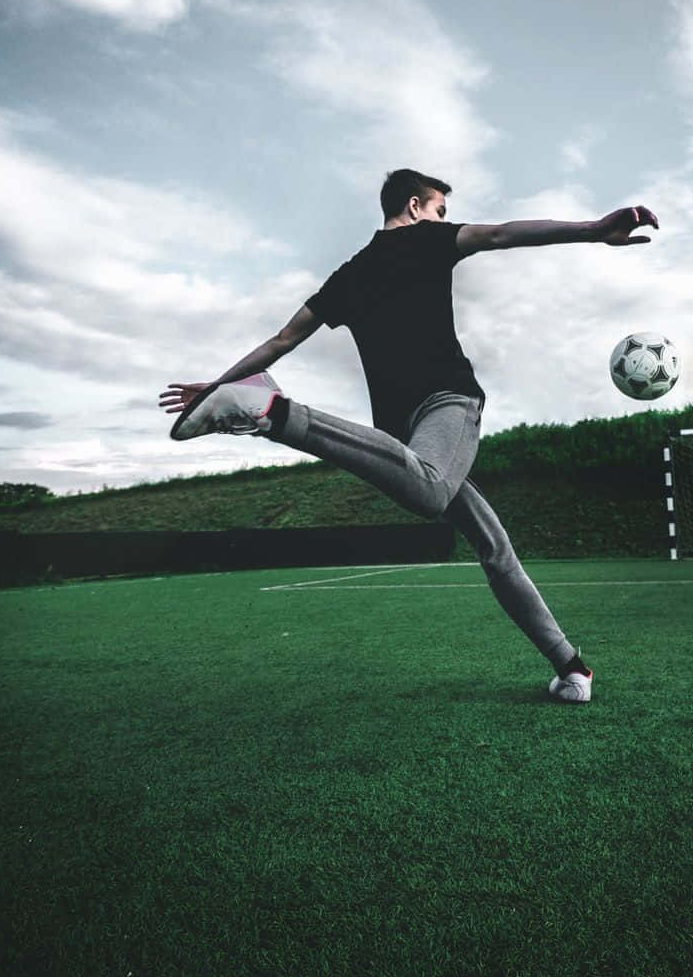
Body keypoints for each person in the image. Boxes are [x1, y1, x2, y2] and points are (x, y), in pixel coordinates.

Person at [159, 168, 658, 702]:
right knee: (430, 491)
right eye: (441, 208)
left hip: (403, 433)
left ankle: (570, 665)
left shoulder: (348, 276)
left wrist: (217, 385)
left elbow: (281, 341)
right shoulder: (428, 238)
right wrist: (593, 229)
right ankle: (277, 416)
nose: (446, 218)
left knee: (493, 545)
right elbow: (500, 234)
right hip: (448, 401)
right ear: (417, 206)